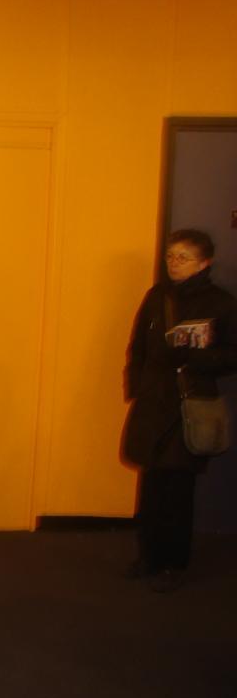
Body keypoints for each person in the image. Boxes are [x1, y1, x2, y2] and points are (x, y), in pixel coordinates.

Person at [122, 228, 237, 593]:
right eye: (170, 256)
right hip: (154, 403)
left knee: (179, 488)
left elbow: (232, 356)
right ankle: (148, 556)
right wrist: (136, 385)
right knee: (152, 483)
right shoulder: (157, 297)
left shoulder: (221, 303)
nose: (174, 263)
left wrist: (195, 358)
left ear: (205, 262)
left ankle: (174, 562)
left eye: (183, 257)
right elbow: (137, 344)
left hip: (192, 404)